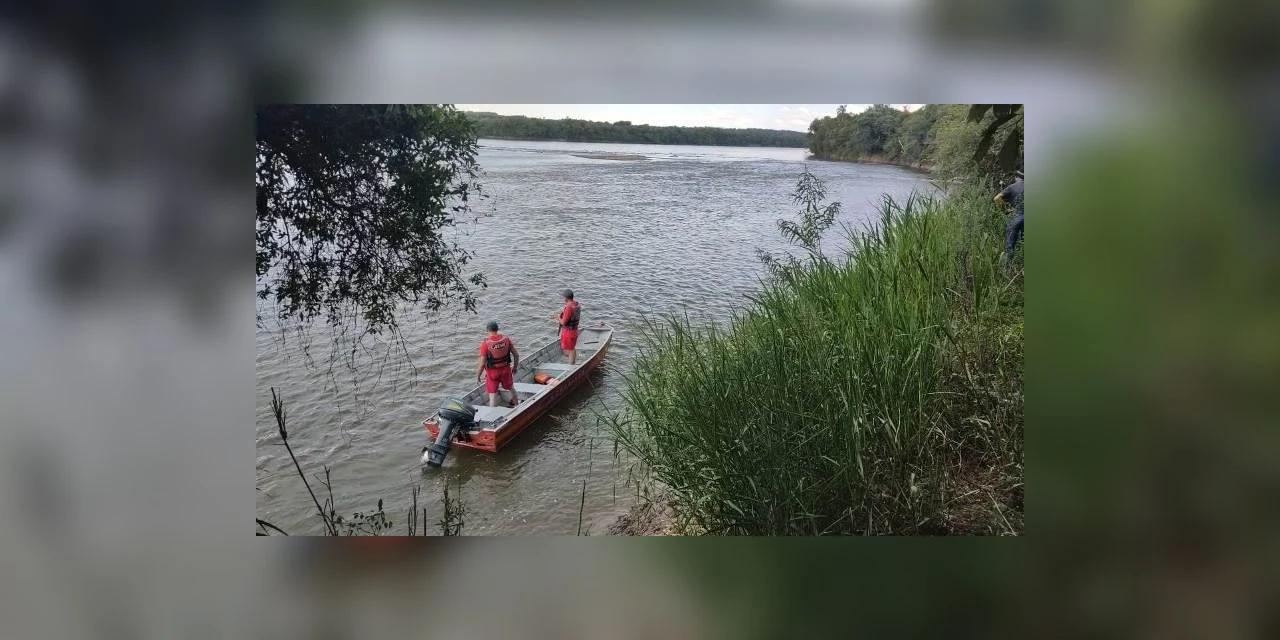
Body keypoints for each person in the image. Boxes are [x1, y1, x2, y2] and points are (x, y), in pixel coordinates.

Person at [476, 320, 520, 408]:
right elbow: (516, 355)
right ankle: (517, 404)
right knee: (511, 387)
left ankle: (492, 417)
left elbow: (482, 364)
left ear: (487, 330)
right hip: (506, 370)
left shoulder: (485, 344)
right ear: (497, 329)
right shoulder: (506, 340)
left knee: (492, 396)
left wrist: (478, 376)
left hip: (492, 374)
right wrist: (514, 368)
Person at [995, 170, 1024, 264]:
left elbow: (997, 198)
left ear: (1016, 178)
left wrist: (1006, 210)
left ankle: (1006, 269)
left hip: (1017, 216)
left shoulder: (1012, 187)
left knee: (1009, 246)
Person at [548, 289, 582, 365]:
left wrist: (557, 317)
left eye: (563, 297)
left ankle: (570, 366)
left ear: (566, 298)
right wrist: (559, 315)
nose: (563, 299)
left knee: (570, 350)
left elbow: (563, 322)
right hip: (575, 331)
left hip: (569, 333)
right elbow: (571, 316)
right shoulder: (576, 304)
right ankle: (572, 363)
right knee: (572, 348)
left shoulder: (569, 307)